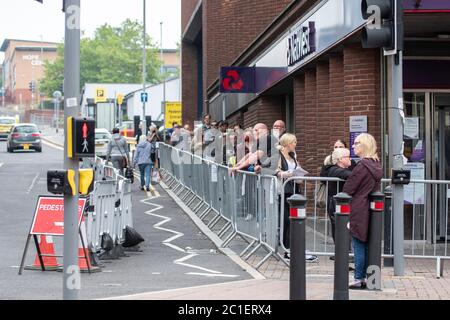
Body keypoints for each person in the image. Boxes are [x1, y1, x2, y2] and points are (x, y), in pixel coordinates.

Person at [343, 133, 383, 289]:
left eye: (356, 143)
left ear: (365, 145)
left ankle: (358, 277)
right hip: (370, 207)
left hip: (358, 207)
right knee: (366, 244)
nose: (353, 146)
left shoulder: (362, 166)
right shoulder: (376, 164)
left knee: (358, 242)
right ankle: (368, 277)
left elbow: (349, 188)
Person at [320, 147, 353, 244]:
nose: (350, 159)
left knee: (343, 227)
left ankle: (344, 252)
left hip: (340, 203)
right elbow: (352, 175)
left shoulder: (342, 168)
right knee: (339, 227)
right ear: (340, 159)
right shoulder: (334, 170)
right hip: (335, 203)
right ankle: (342, 252)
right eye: (348, 157)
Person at [274, 133, 298, 257]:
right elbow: (275, 170)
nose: (296, 144)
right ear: (288, 143)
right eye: (294, 142)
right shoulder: (278, 155)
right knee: (285, 219)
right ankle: (285, 247)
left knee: (292, 219)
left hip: (293, 189)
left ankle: (290, 246)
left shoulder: (293, 155)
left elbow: (297, 168)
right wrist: (284, 174)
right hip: (282, 190)